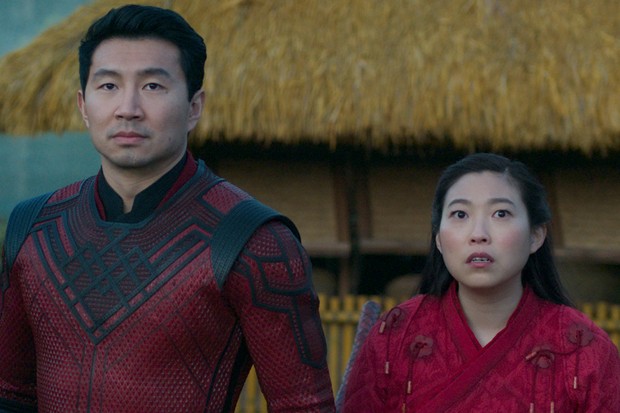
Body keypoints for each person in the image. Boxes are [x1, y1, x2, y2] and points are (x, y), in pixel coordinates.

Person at [0, 5, 335, 413]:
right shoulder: (33, 228)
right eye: (108, 85)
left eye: (153, 86)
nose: (128, 108)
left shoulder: (254, 242)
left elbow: (304, 406)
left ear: (194, 107)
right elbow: (11, 395)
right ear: (83, 105)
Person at [342, 153, 620, 412]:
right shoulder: (393, 337)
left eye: (500, 213)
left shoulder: (585, 349)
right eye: (460, 214)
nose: (478, 234)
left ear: (536, 236)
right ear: (438, 238)